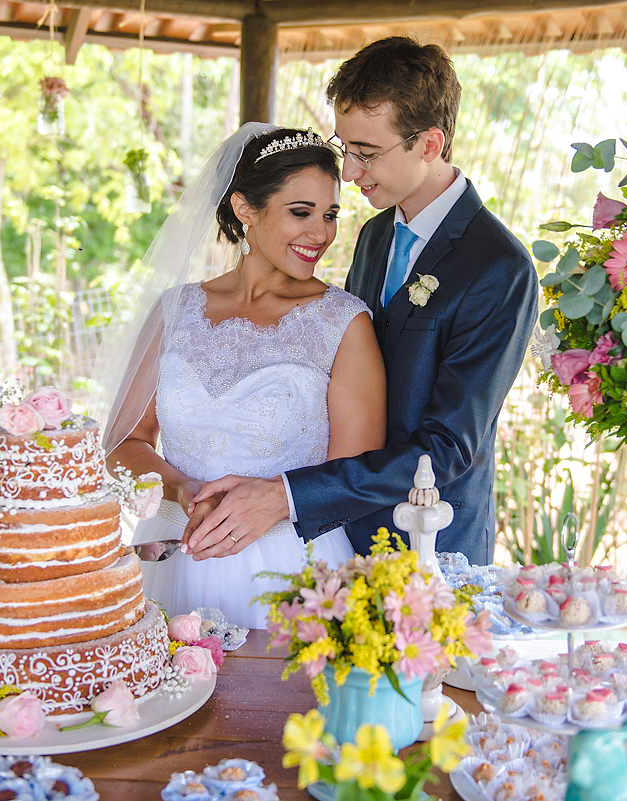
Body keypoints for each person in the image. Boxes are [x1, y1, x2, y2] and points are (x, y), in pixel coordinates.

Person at [183, 37, 540, 566]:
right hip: (339, 537)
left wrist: (286, 495)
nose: (348, 173)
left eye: (367, 154)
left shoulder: (499, 267)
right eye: (346, 148)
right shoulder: (375, 235)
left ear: (429, 143)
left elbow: (447, 447)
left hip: (431, 545)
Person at [100, 125, 386, 628]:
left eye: (330, 214)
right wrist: (181, 488)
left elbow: (354, 478)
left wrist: (273, 501)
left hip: (292, 573)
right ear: (244, 209)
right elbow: (123, 443)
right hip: (177, 558)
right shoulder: (176, 311)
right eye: (301, 213)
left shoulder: (344, 323)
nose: (320, 233)